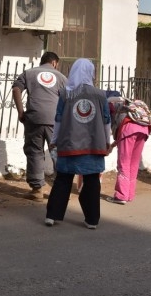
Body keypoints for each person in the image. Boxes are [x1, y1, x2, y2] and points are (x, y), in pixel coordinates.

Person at [45, 58, 112, 229]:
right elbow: (106, 121)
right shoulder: (100, 95)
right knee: (91, 181)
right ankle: (92, 220)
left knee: (63, 179)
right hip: (93, 144)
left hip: (69, 144)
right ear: (91, 73)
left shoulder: (65, 94)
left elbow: (58, 119)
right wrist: (107, 141)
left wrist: (54, 140)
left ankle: (52, 215)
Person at [12, 52, 67, 201]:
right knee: (57, 153)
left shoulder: (29, 73)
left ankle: (37, 190)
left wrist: (21, 112)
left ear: (42, 61)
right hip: (55, 120)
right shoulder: (61, 77)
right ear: (54, 63)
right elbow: (68, 98)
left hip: (34, 118)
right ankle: (61, 190)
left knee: (35, 151)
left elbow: (16, 89)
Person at [106, 97, 151, 204]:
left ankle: (121, 196)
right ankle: (129, 194)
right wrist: (113, 145)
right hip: (144, 130)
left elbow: (122, 131)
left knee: (124, 163)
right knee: (134, 163)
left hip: (128, 130)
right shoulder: (129, 104)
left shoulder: (110, 105)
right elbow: (122, 135)